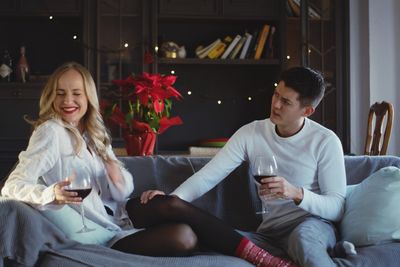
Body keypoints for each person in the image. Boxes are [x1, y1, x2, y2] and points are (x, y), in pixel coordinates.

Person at [1, 62, 295, 267]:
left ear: (87, 97)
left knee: (169, 204)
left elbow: (120, 191)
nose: (68, 101)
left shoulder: (93, 131)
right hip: (100, 232)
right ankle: (247, 250)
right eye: (61, 93)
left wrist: (117, 177)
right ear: (51, 96)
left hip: (121, 212)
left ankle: (259, 257)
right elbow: (10, 188)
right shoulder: (50, 133)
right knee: (184, 236)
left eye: (76, 93)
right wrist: (51, 194)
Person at [140, 66, 347, 267]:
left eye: (286, 102)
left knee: (304, 240)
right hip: (269, 234)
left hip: (311, 226)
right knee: (205, 237)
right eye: (276, 95)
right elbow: (209, 176)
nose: (275, 105)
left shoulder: (325, 141)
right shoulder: (251, 133)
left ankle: (324, 251)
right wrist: (172, 200)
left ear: (308, 110)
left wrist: (296, 193)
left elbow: (337, 208)